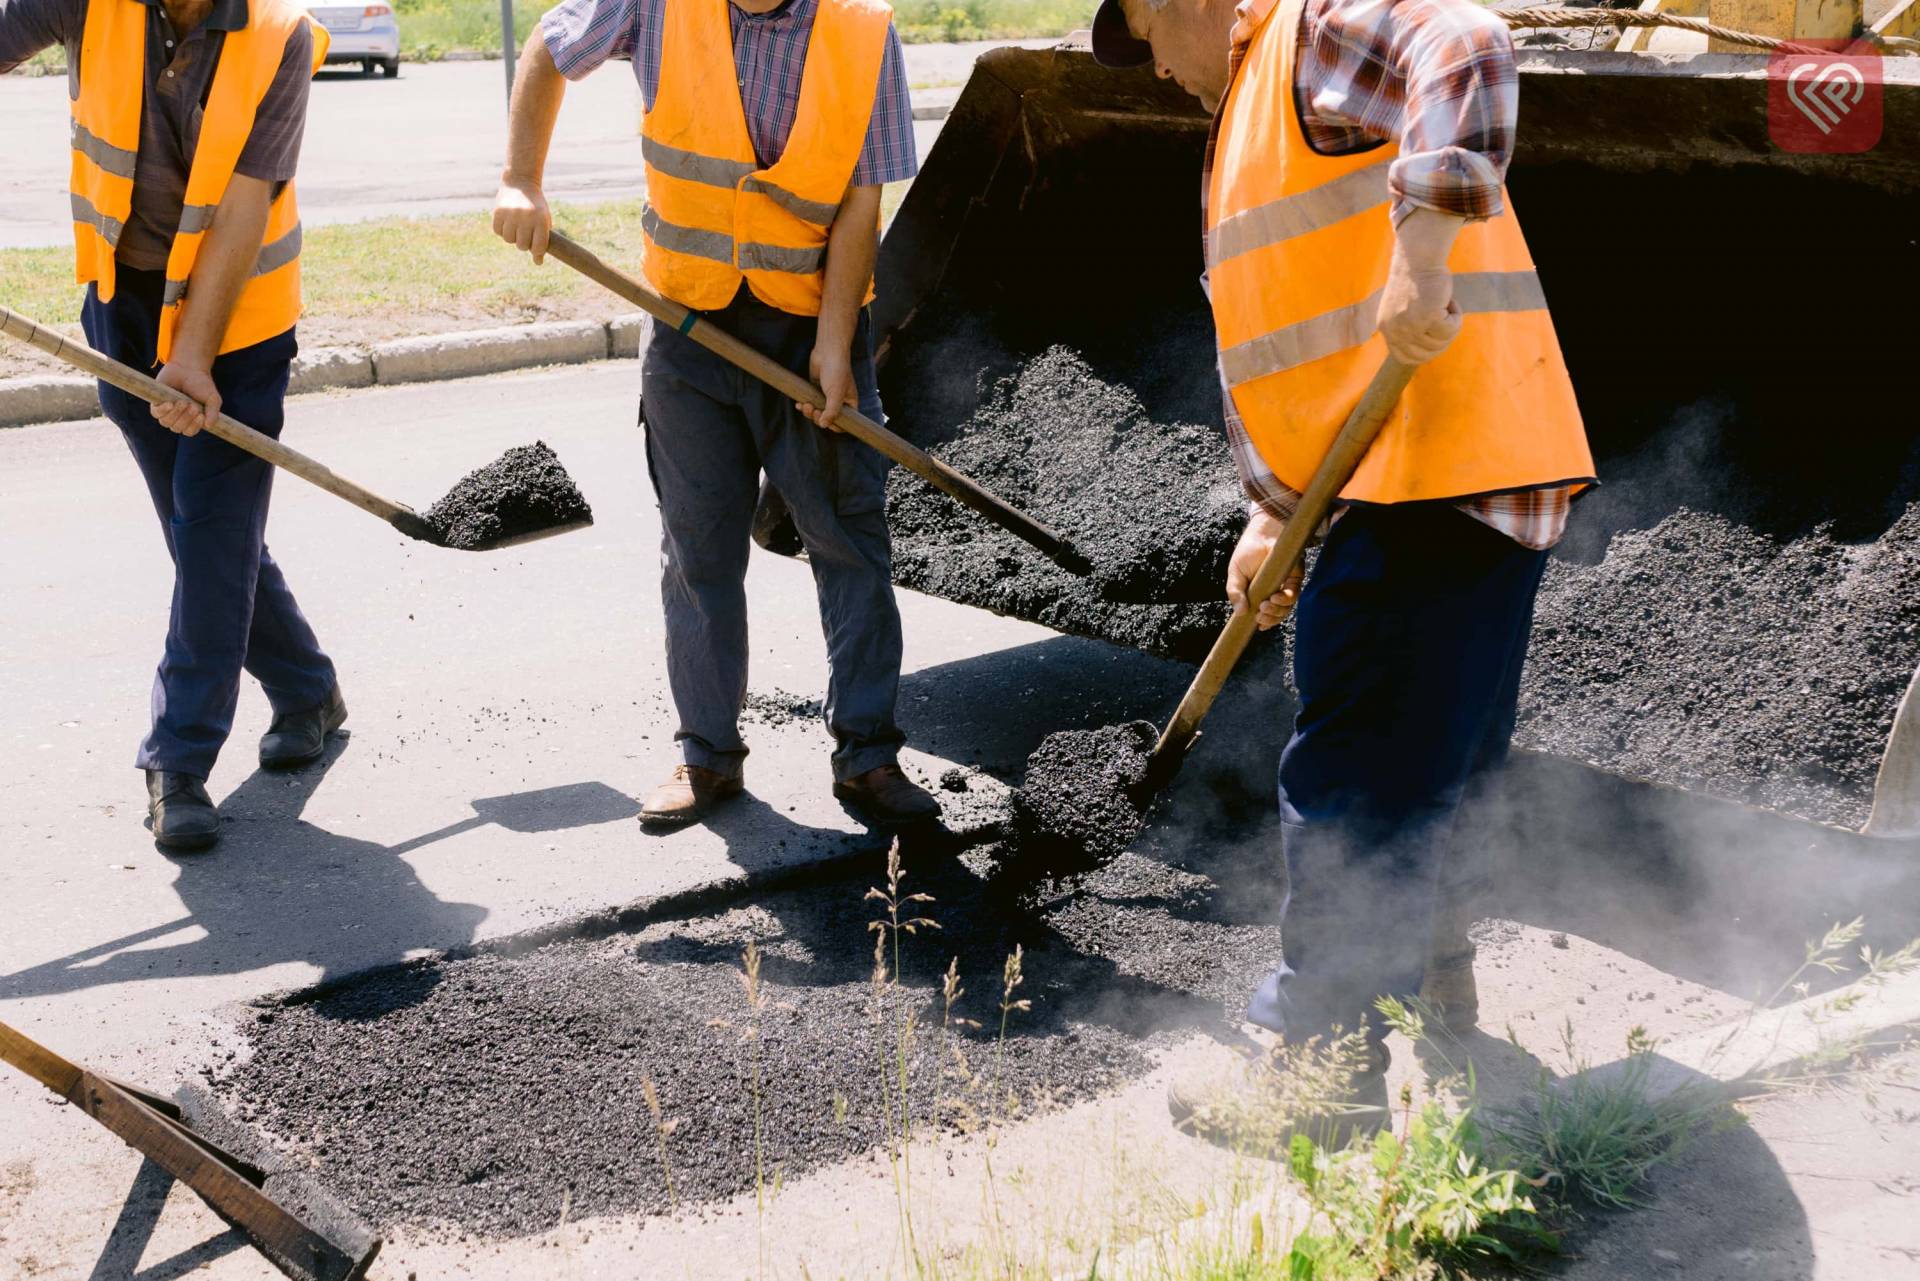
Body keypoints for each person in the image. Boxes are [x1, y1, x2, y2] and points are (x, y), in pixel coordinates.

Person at [1091, 0, 1595, 1142]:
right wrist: (1270, 515)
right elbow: (1296, 344)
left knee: (1353, 780)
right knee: (1439, 758)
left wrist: (1422, 251)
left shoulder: (1309, 32)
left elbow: (1467, 42)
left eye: (1145, 37)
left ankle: (1317, 1078)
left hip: (1433, 471)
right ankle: (1437, 979)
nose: (1154, 71)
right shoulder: (1250, 118)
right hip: (1451, 474)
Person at [493, 0, 943, 829]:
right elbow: (549, 51)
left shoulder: (861, 30)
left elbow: (860, 201)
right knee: (696, 551)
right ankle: (706, 754)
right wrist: (521, 178)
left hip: (808, 330)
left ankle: (868, 757)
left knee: (849, 543)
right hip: (687, 328)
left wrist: (834, 343)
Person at [2, 0, 345, 853]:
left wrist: (193, 359)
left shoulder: (280, 36)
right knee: (205, 535)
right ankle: (308, 688)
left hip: (238, 324)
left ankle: (178, 758)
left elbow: (242, 207)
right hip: (122, 307)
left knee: (213, 532)